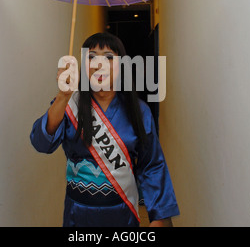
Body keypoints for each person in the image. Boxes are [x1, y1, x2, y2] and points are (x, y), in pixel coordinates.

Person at [30, 32, 179, 227]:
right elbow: (41, 143)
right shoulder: (69, 104)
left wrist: (160, 216)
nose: (99, 64)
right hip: (78, 214)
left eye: (109, 57)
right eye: (91, 57)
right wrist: (63, 96)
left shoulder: (139, 111)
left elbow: (152, 165)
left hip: (123, 213)